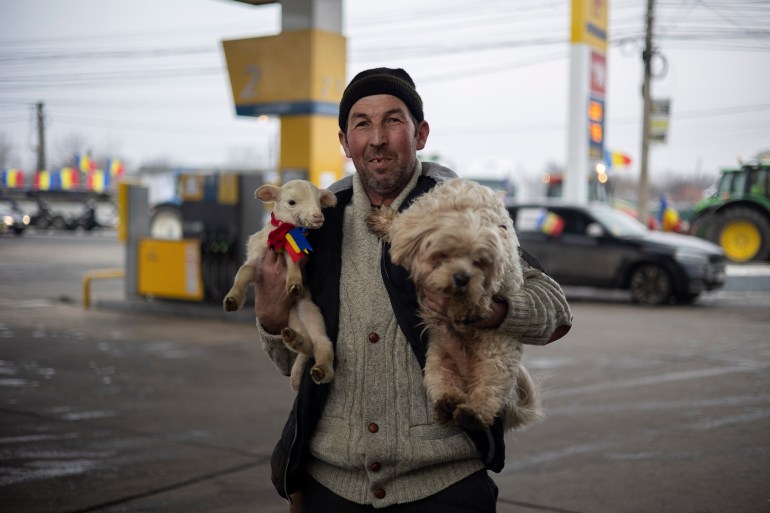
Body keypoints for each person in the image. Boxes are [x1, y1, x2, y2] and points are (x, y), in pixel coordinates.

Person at [254, 67, 573, 512]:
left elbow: (556, 310)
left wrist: (487, 311)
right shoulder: (317, 222)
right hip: (330, 487)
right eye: (361, 124)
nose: (377, 138)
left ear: (420, 133)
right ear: (345, 143)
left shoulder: (461, 206)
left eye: (393, 120)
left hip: (444, 488)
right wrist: (271, 321)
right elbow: (295, 360)